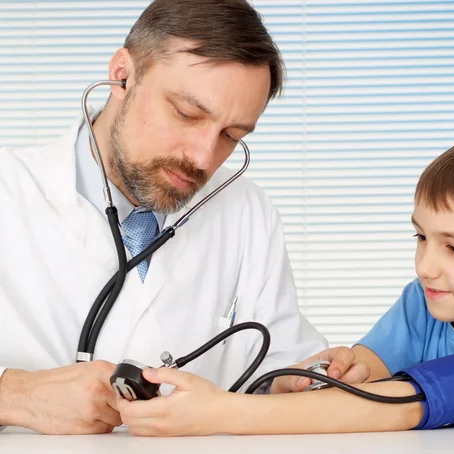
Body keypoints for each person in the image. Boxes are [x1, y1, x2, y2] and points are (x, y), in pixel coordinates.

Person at [118, 129, 454, 436]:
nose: (425, 266)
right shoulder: (425, 302)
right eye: (421, 237)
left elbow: (405, 405)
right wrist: (349, 367)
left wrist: (221, 413)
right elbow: (372, 373)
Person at [0, 0, 339, 435]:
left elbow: (279, 364)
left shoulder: (247, 210)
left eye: (231, 136)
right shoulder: (9, 190)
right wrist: (15, 395)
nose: (202, 157)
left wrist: (302, 380)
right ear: (123, 75)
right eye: (186, 113)